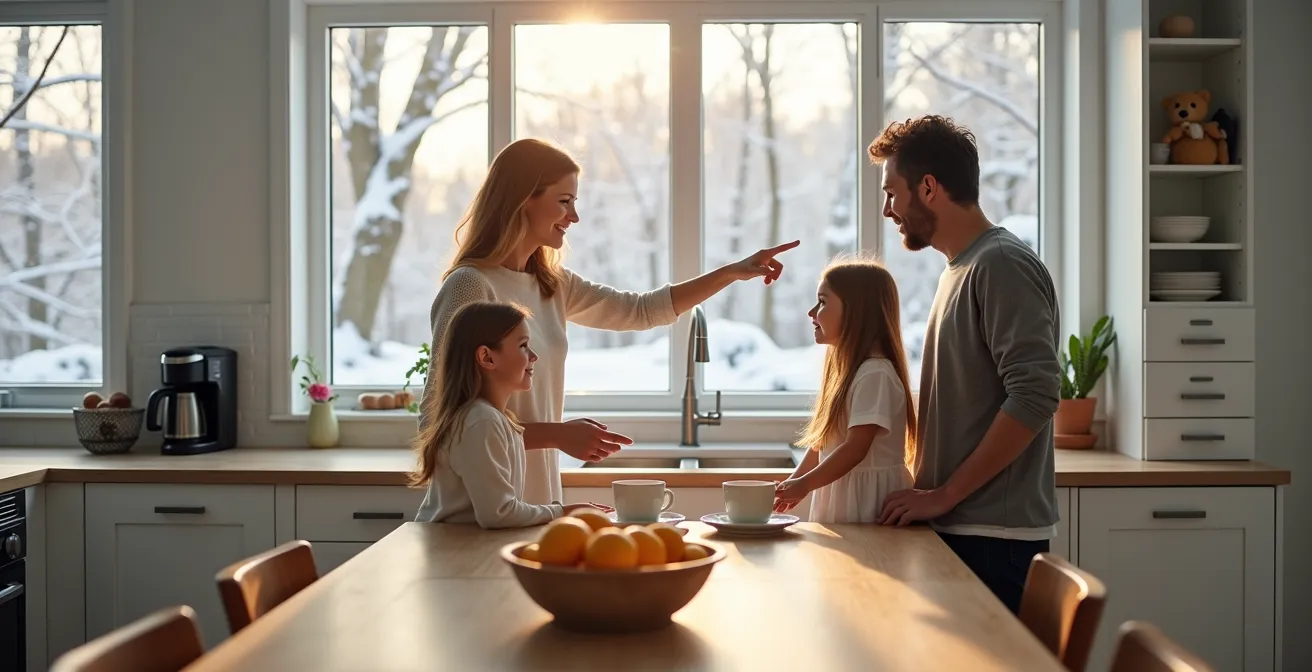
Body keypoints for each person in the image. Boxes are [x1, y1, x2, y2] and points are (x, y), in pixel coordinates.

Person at [423, 137, 800, 506]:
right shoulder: (470, 285)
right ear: (524, 199)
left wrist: (731, 273)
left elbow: (640, 310)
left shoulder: (552, 284)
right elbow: (440, 424)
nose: (574, 216)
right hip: (474, 511)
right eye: (564, 202)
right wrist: (556, 435)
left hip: (536, 503)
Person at [870, 115, 1061, 615]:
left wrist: (945, 494)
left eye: (893, 192)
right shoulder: (961, 268)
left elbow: (1036, 394)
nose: (888, 209)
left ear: (928, 187)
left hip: (991, 538)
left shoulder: (1001, 264)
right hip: (965, 527)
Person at [410, 301, 605, 528]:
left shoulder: (496, 420)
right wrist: (562, 512)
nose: (534, 356)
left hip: (459, 546)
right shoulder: (481, 421)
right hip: (449, 550)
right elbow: (498, 514)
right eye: (523, 345)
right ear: (487, 357)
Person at [772, 258, 916, 523]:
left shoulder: (875, 374)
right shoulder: (850, 373)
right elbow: (822, 443)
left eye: (823, 302)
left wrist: (804, 485)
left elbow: (854, 449)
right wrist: (794, 483)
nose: (811, 312)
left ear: (856, 311)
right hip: (844, 496)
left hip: (867, 503)